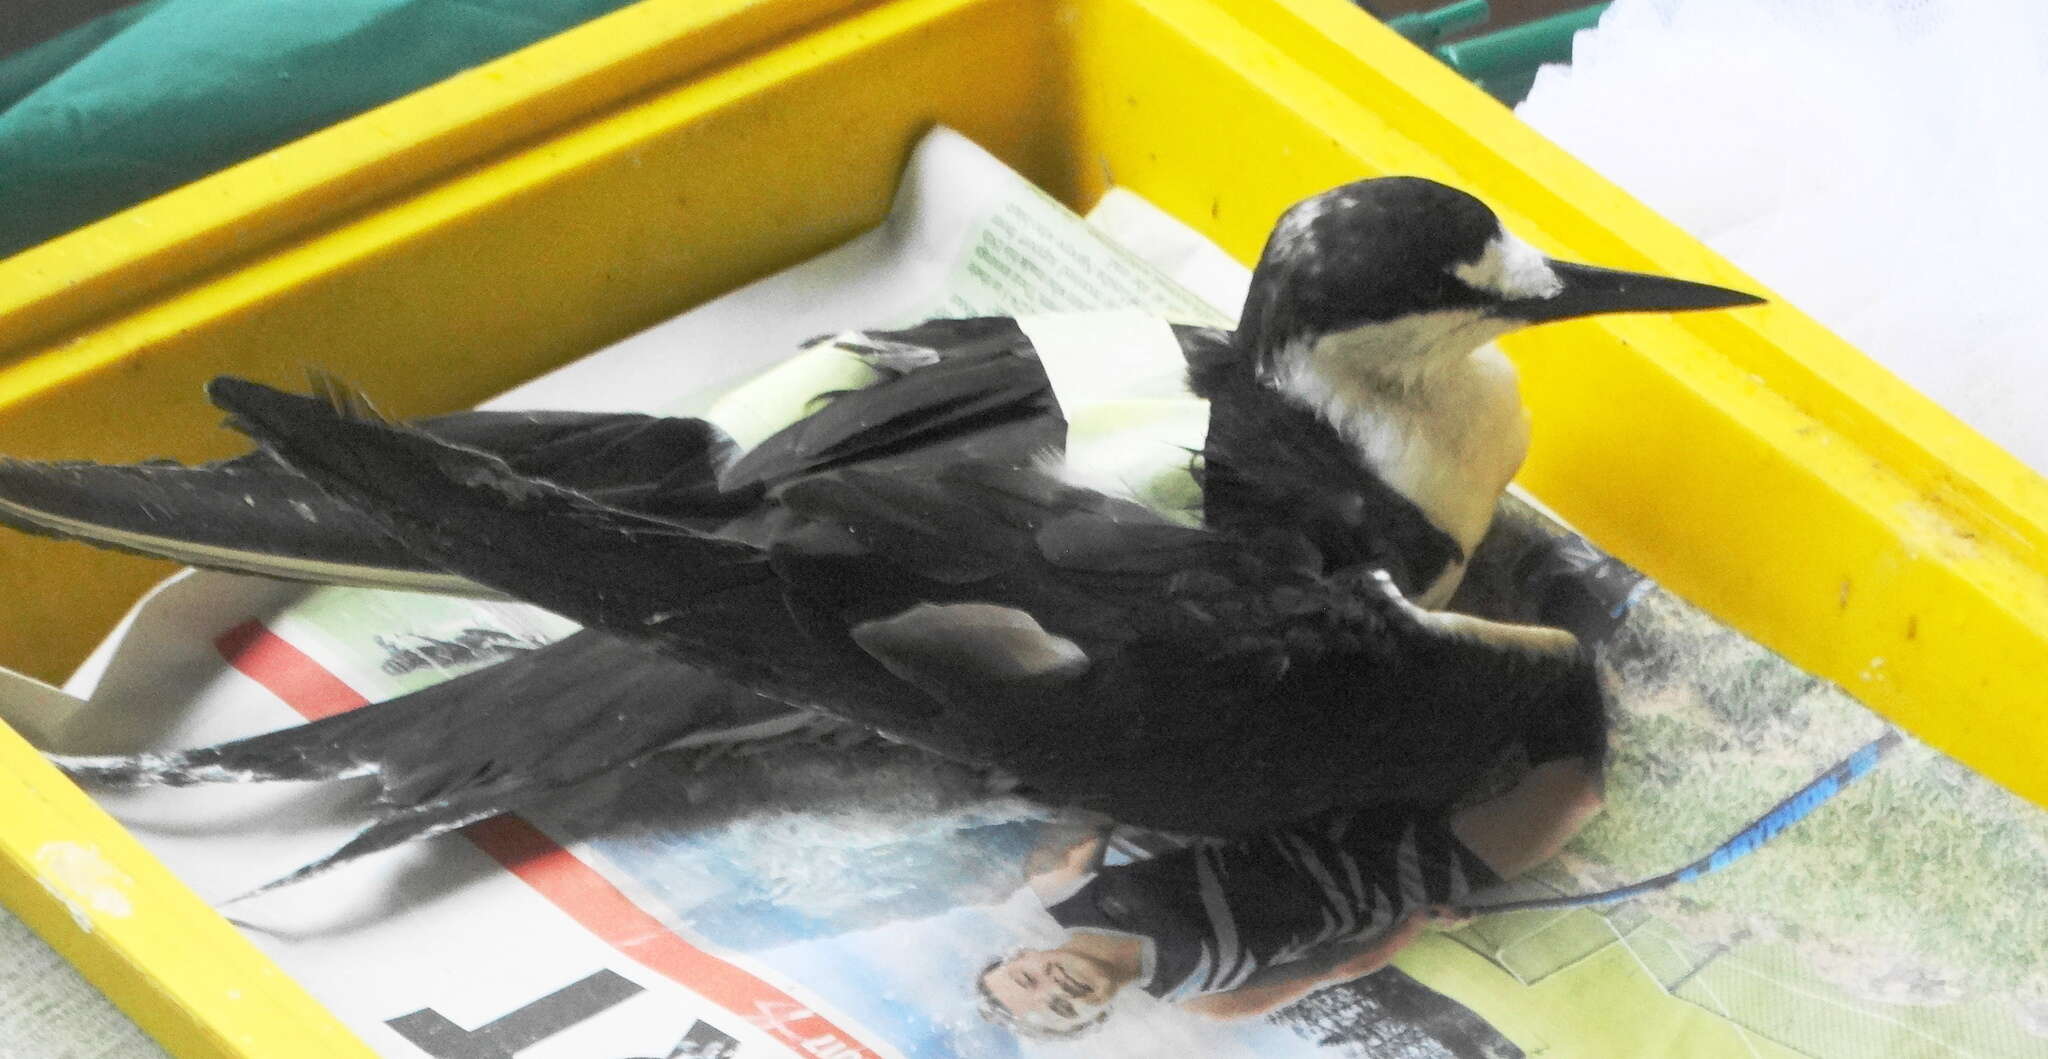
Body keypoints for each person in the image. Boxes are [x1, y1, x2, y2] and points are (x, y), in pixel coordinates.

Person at [974, 753, 1603, 1038]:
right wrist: (1417, 917)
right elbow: (1345, 962)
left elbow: (1105, 781)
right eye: (1061, 1011)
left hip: (1322, 800)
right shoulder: (1209, 1001)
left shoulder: (1060, 882)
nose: (1057, 990)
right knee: (1576, 795)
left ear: (1019, 956)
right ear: (1093, 1021)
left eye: (1029, 981)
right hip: (1391, 879)